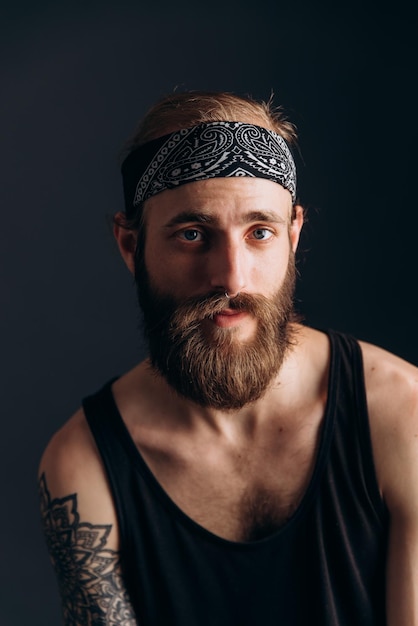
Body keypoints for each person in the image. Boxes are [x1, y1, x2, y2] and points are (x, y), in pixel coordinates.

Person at [38, 90, 418, 626]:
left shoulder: (403, 414)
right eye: (193, 234)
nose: (232, 277)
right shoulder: (84, 466)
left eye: (259, 233)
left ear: (293, 236)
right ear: (131, 246)